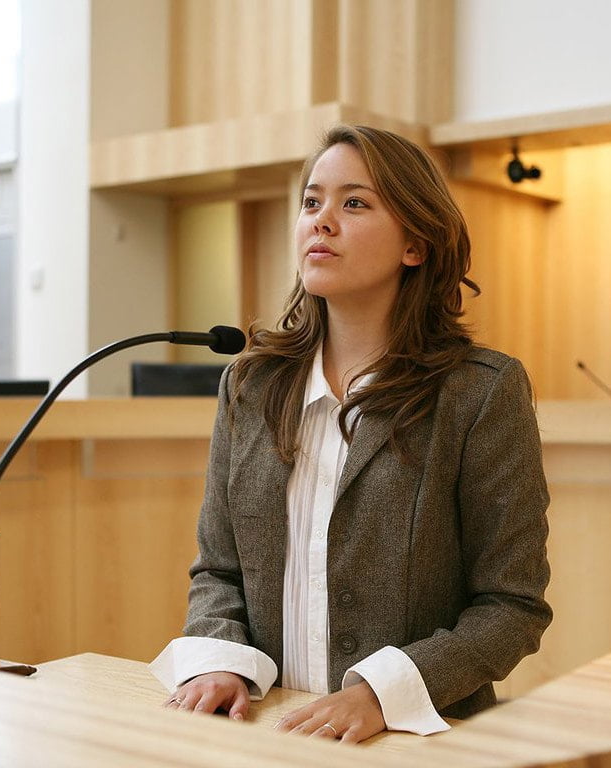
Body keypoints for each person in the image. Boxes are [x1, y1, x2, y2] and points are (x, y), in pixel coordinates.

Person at [148, 124, 550, 744]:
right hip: (265, 732)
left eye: (354, 203)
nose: (322, 221)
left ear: (415, 244)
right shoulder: (250, 386)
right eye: (311, 202)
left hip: (413, 741)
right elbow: (219, 571)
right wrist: (219, 659)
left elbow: (511, 605)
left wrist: (380, 695)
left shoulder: (478, 393)